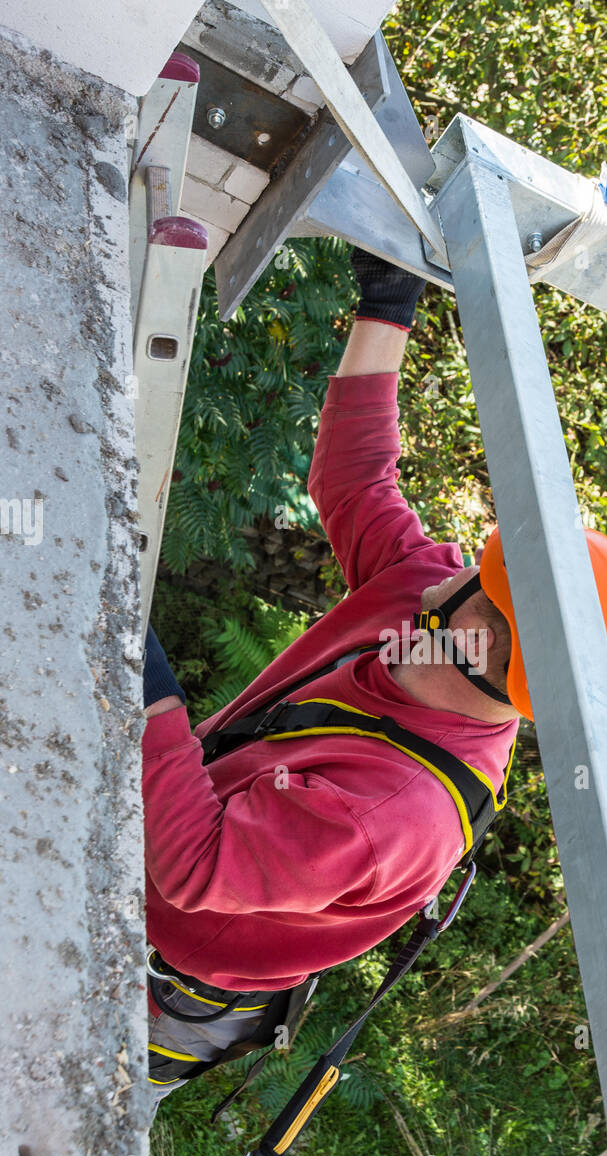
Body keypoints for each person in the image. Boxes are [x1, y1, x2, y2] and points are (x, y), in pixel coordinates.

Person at [143, 249, 523, 1098]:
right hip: (170, 845)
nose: (442, 563)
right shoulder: (426, 599)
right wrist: (389, 307)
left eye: (470, 579)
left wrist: (150, 695)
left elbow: (193, 866)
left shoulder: (397, 818)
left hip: (173, 972)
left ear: (477, 643)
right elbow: (353, 479)